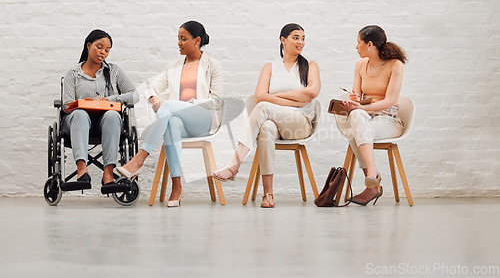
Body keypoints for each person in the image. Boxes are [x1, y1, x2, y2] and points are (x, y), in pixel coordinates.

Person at [116, 21, 223, 207]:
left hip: (205, 119)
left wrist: (185, 105)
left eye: (184, 39)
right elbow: (150, 88)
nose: (179, 43)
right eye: (178, 39)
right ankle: (177, 186)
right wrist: (153, 99)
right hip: (181, 122)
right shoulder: (172, 66)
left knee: (169, 108)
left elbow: (217, 101)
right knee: (171, 121)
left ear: (197, 40)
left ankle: (139, 159)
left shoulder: (213, 65)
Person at [213, 23, 321, 208]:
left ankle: (235, 163)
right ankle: (268, 195)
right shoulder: (270, 67)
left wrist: (276, 97)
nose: (301, 42)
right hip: (277, 124)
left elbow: (312, 93)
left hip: (299, 123)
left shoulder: (310, 66)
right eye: (296, 37)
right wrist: (294, 100)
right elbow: (259, 96)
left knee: (263, 107)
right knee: (266, 128)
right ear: (283, 40)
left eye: (303, 38)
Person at [336, 25, 407, 206]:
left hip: (388, 119)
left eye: (358, 42)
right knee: (356, 120)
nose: (356, 46)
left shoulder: (395, 64)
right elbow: (358, 96)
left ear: (369, 45)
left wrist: (358, 107)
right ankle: (372, 179)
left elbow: (390, 101)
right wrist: (354, 101)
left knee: (355, 128)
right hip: (367, 117)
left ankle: (371, 178)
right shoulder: (360, 65)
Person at [62, 29, 138, 193]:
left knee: (112, 115)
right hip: (78, 122)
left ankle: (108, 174)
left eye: (107, 50)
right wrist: (83, 104)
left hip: (105, 121)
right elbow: (66, 105)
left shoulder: (114, 71)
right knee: (80, 114)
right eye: (99, 47)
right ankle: (82, 171)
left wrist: (110, 100)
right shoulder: (73, 73)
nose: (103, 52)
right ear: (88, 45)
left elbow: (134, 94)